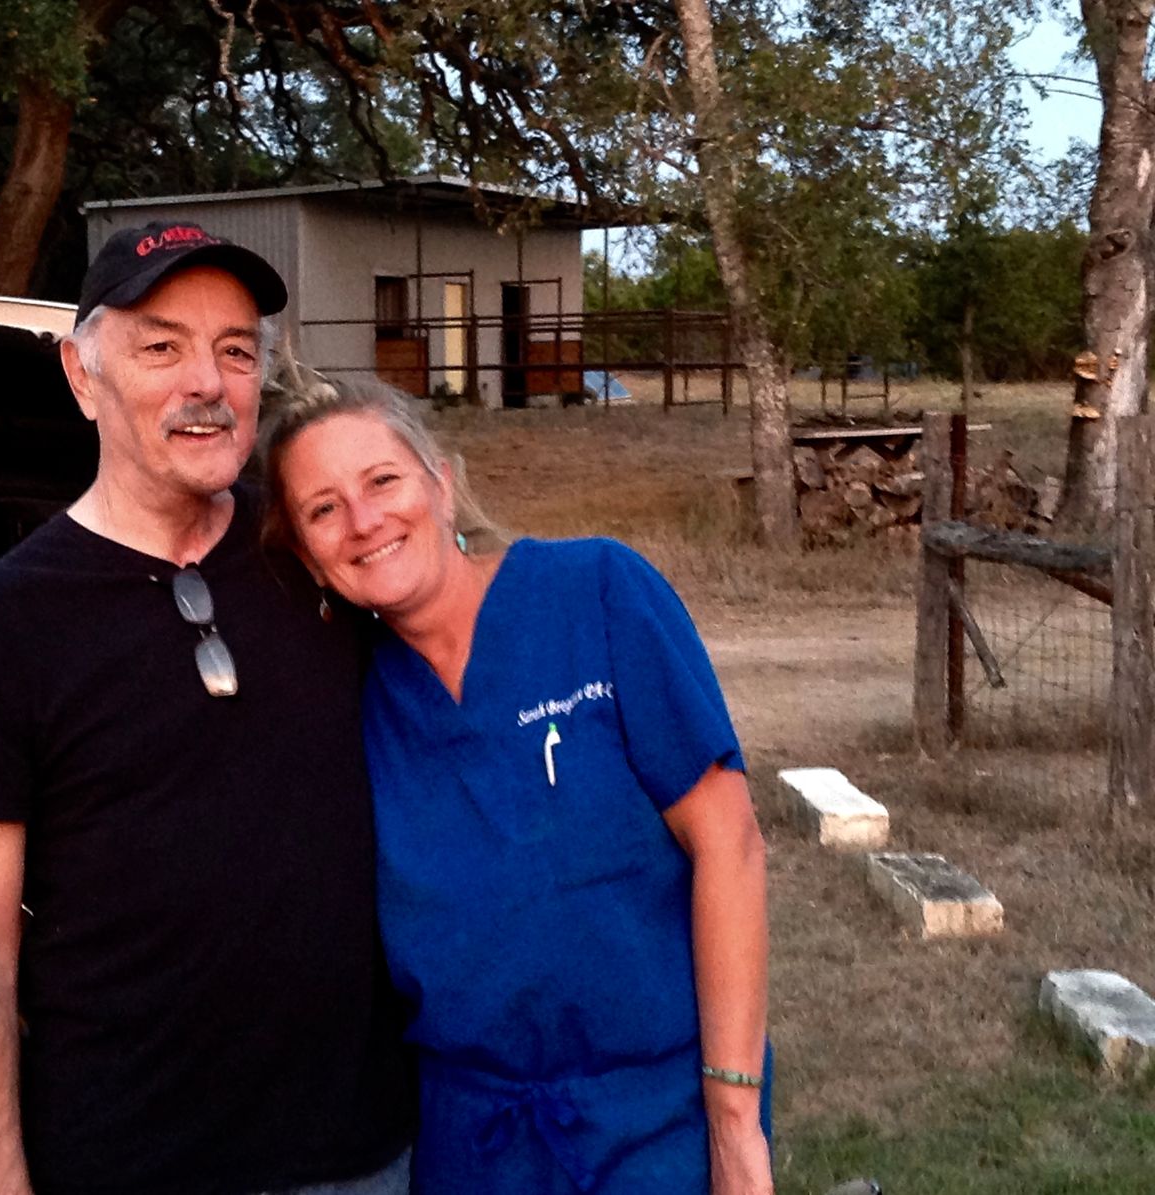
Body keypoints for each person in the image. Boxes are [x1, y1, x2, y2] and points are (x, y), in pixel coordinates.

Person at [0, 222, 414, 1195]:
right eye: (161, 347)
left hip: (364, 1155)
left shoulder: (317, 551)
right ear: (81, 375)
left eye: (236, 351)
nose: (207, 383)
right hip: (126, 1160)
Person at [260, 369, 774, 1195]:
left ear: (441, 485)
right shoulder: (349, 700)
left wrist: (733, 1118)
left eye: (383, 480)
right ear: (310, 558)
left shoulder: (597, 591)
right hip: (471, 1142)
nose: (363, 520)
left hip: (656, 1122)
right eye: (323, 509)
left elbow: (730, 844)